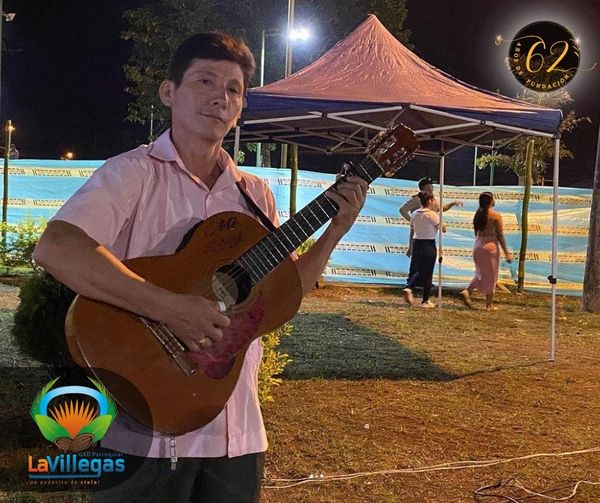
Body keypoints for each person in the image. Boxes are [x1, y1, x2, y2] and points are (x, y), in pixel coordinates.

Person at [33, 32, 368, 503]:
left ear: (241, 106)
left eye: (233, 89)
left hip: (237, 435)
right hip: (145, 432)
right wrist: (169, 308)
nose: (220, 97)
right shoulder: (132, 173)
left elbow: (284, 295)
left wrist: (335, 231)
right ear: (169, 92)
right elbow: (57, 248)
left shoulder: (254, 194)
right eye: (205, 81)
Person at [399, 176, 462, 286]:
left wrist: (453, 203)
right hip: (418, 233)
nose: (432, 187)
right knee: (416, 258)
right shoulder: (417, 199)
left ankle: (424, 282)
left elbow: (441, 208)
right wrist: (413, 221)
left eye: (432, 186)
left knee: (427, 259)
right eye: (430, 185)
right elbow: (402, 210)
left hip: (429, 234)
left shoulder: (433, 200)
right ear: (425, 187)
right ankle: (411, 283)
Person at [460, 191, 513, 311]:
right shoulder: (496, 216)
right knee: (492, 275)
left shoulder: (478, 214)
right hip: (490, 247)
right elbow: (500, 235)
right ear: (490, 201)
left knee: (480, 273)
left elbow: (476, 232)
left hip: (478, 245)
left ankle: (468, 290)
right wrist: (506, 252)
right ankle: (489, 304)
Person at [402, 191, 445, 308]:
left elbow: (413, 228)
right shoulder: (432, 215)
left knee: (418, 269)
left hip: (417, 243)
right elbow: (443, 229)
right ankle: (424, 300)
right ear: (430, 201)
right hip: (428, 244)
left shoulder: (415, 214)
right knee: (427, 272)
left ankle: (410, 287)